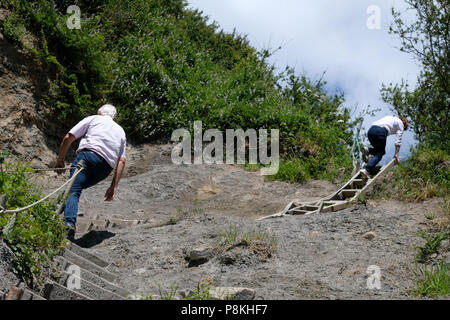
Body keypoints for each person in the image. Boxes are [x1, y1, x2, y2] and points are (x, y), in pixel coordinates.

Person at [54, 104, 127, 240]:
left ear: (100, 112)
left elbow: (69, 136)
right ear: (113, 116)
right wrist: (113, 186)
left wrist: (60, 159)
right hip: (105, 169)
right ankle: (53, 212)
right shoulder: (121, 131)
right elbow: (122, 161)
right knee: (74, 188)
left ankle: (68, 225)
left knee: (73, 191)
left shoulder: (93, 119)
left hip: (88, 157)